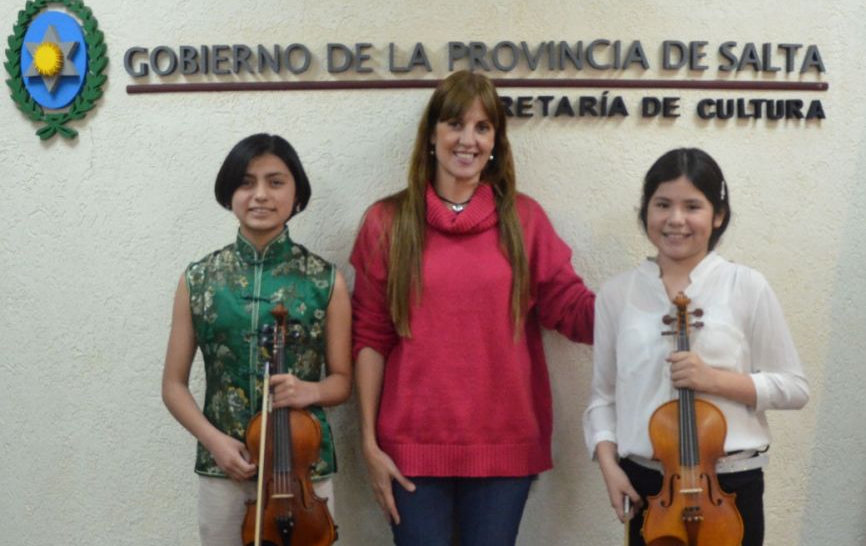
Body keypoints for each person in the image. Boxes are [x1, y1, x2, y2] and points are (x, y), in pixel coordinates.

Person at [350, 70, 594, 546]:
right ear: (432, 136)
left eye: (483, 128)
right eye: (455, 124)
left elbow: (569, 308)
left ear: (496, 142)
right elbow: (370, 336)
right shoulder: (388, 223)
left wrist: (640, 308)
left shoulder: (524, 220)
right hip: (410, 451)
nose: (468, 139)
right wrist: (368, 443)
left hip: (503, 449)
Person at [584, 148, 808, 546]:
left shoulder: (746, 286)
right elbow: (603, 397)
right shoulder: (617, 295)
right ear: (646, 211)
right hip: (648, 486)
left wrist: (715, 380)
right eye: (663, 205)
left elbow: (794, 387)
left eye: (692, 206)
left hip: (731, 484)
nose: (675, 220)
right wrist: (608, 465)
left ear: (717, 215)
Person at [161, 134, 352, 546]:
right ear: (230, 191)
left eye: (276, 182)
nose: (260, 195)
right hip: (225, 467)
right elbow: (172, 386)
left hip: (303, 472)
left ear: (296, 191)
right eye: (247, 182)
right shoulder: (198, 279)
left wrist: (308, 390)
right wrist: (214, 442)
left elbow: (342, 382)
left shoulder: (325, 279)